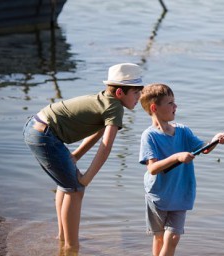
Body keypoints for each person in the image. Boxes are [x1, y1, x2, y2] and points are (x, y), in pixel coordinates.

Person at [23, 63, 145, 252]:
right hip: (46, 135)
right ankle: (72, 247)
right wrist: (87, 178)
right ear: (120, 92)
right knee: (76, 188)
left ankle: (63, 238)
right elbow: (105, 147)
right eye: (136, 93)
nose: (139, 97)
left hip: (36, 127)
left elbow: (98, 131)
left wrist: (76, 155)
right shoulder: (115, 108)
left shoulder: (105, 100)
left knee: (67, 185)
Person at [138, 83, 224, 256]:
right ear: (154, 108)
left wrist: (216, 140)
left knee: (172, 238)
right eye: (170, 103)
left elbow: (204, 148)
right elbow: (152, 168)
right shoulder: (149, 136)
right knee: (159, 238)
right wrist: (177, 157)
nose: (176, 106)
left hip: (181, 194)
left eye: (174, 102)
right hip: (158, 195)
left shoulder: (183, 131)